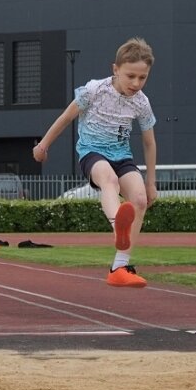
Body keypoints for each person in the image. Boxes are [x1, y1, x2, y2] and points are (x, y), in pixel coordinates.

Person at [32, 37, 158, 288]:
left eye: (142, 78)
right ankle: (117, 225)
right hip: (92, 152)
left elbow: (149, 143)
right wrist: (43, 146)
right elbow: (65, 118)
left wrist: (151, 183)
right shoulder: (94, 91)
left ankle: (119, 268)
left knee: (140, 199)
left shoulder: (142, 103)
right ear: (115, 69)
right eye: (130, 76)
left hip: (122, 156)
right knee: (108, 180)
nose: (136, 83)